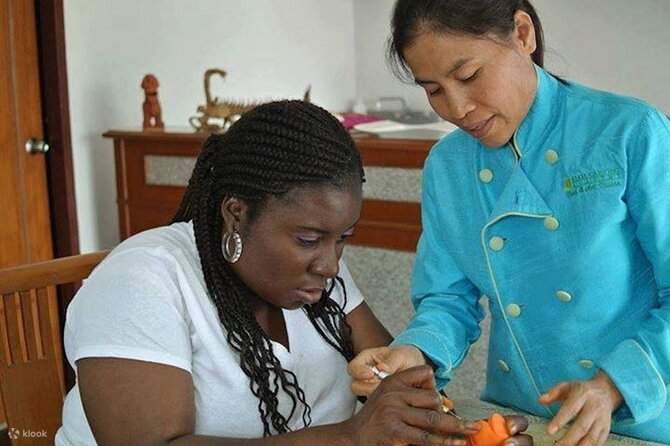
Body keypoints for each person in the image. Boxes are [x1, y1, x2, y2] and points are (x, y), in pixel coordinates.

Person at [54, 101, 532, 446]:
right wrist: (350, 437)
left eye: (342, 238)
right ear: (237, 213)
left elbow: (398, 390)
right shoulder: (142, 281)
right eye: (308, 239)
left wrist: (449, 430)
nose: (330, 264)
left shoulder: (316, 280)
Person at [348, 1, 670, 445]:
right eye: (434, 90)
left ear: (522, 33)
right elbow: (448, 299)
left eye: (468, 76)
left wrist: (613, 384)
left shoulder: (630, 133)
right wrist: (414, 352)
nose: (457, 108)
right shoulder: (448, 165)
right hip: (518, 417)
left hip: (643, 419)